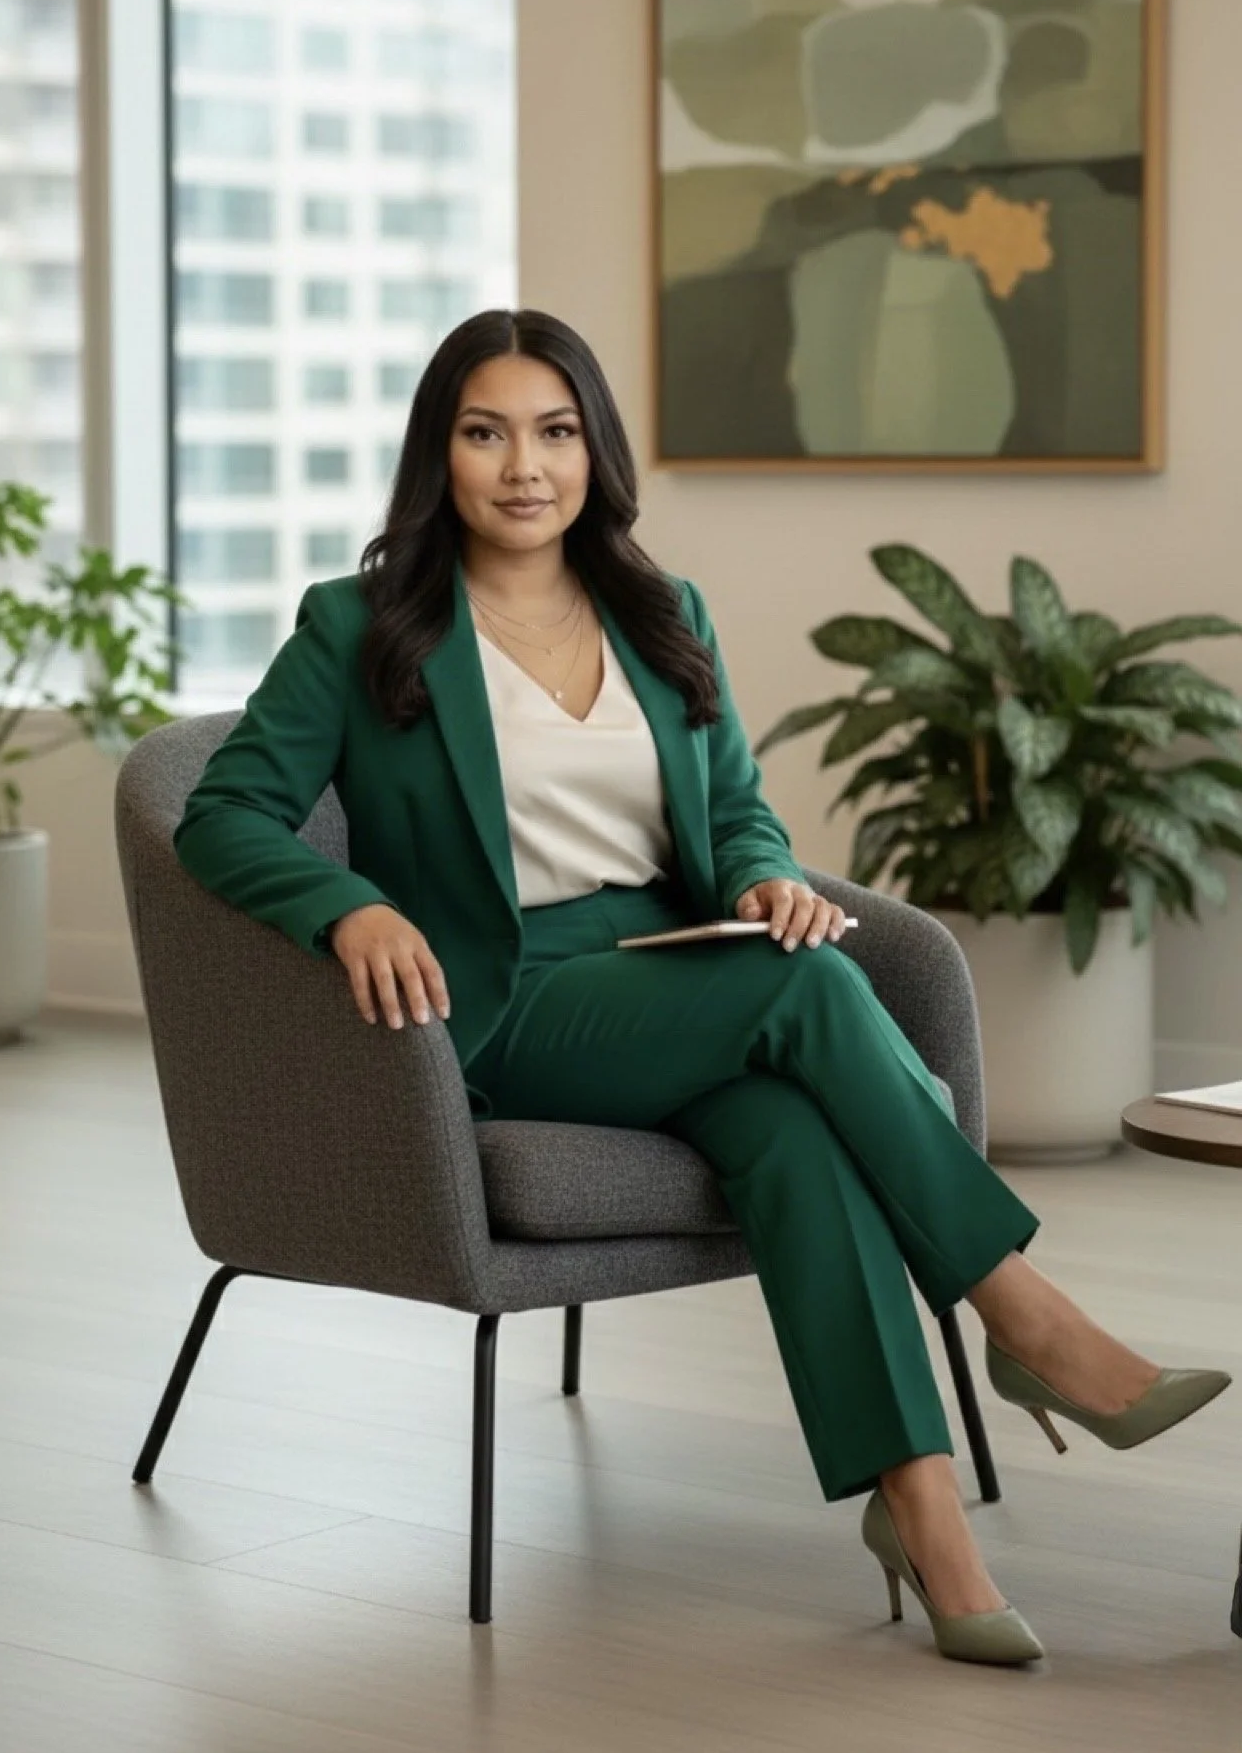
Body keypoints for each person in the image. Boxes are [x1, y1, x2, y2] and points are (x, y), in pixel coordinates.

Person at [173, 307, 1231, 1668]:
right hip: (507, 998)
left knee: (795, 1122)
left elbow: (735, 818)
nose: (523, 467)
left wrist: (767, 885)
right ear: (441, 455)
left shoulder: (665, 617)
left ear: (595, 449)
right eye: (484, 433)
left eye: (554, 432)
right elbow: (222, 816)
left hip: (674, 969)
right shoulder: (364, 627)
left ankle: (926, 1519)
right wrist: (352, 904)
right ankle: (1025, 1315)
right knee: (810, 998)